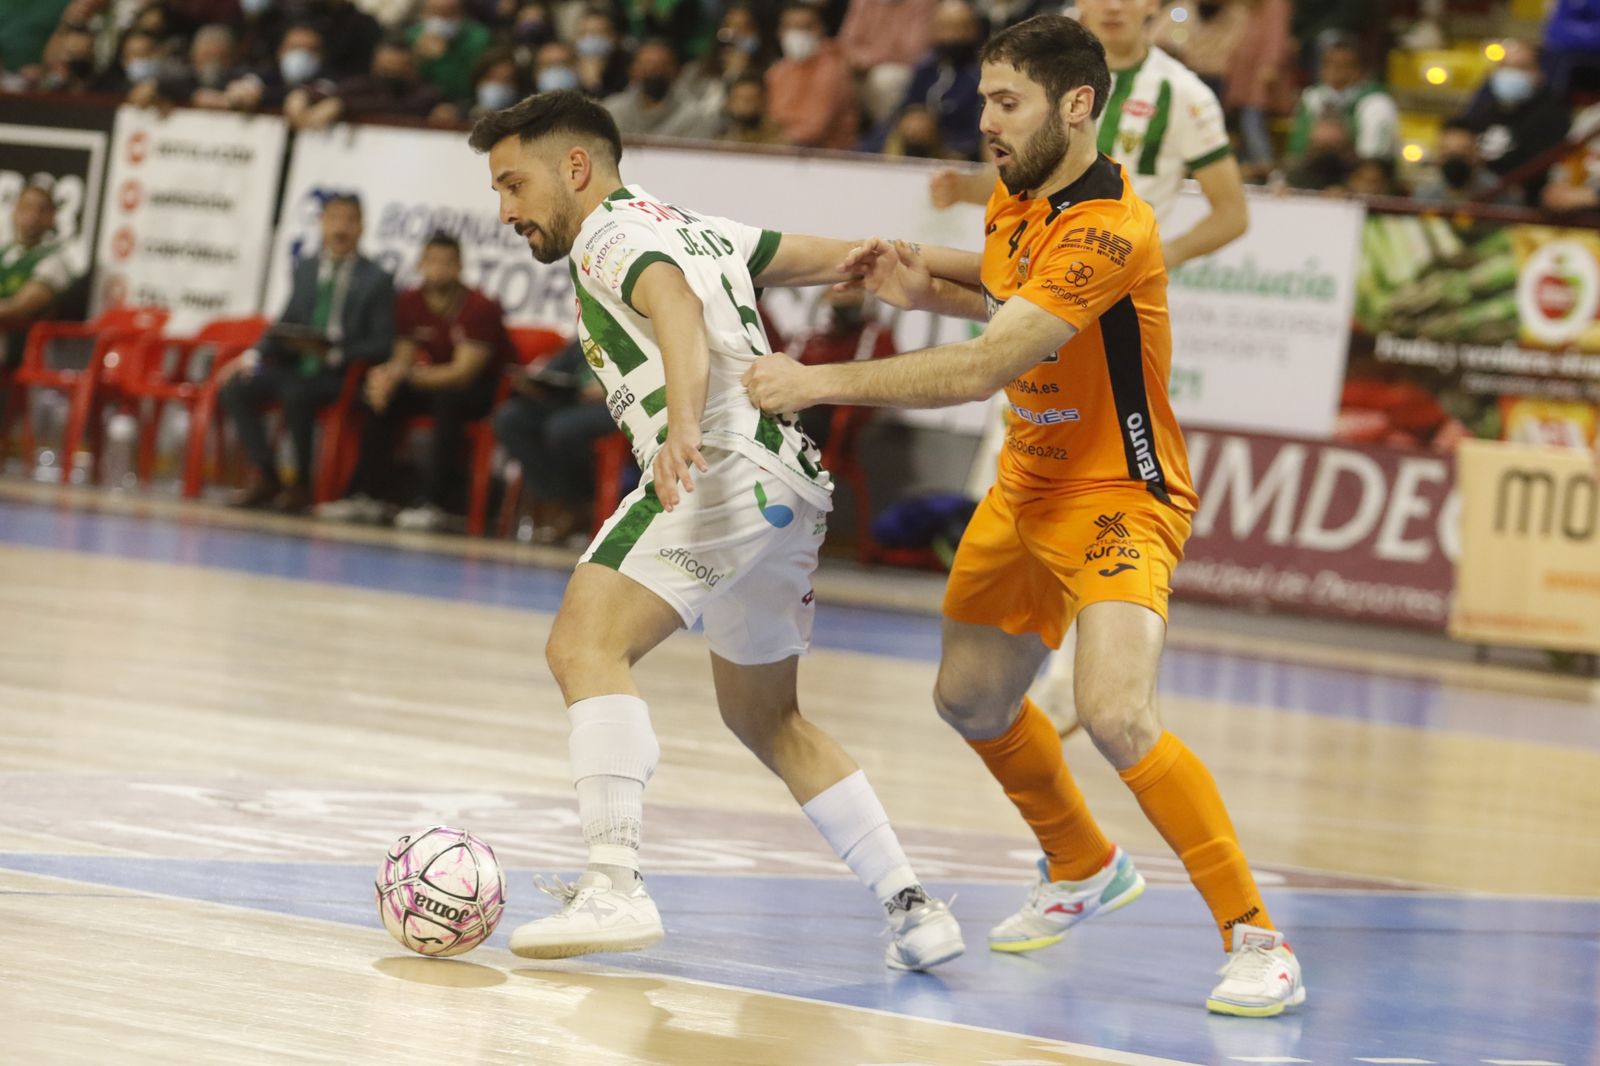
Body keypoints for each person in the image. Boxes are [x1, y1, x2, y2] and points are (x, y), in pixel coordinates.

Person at [743, 14, 1304, 1018]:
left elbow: (985, 362)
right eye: (985, 99)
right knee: (968, 701)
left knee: (1121, 714)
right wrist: (923, 267)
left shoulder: (1110, 229)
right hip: (1024, 493)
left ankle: (1255, 935)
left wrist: (812, 380)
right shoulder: (1018, 195)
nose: (984, 121)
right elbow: (1006, 298)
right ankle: (1083, 862)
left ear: (1076, 105)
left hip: (1119, 497)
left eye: (1007, 103)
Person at [469, 90, 963, 970]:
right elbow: (840, 260)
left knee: (585, 645)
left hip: (721, 466)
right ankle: (913, 906)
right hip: (787, 486)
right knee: (765, 716)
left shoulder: (611, 235)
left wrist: (687, 424)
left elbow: (676, 311)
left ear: (574, 168)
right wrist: (1004, 273)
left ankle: (613, 883)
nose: (505, 210)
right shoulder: (691, 225)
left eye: (513, 184)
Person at [930, 0, 1250, 736]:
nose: (1110, 4)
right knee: (1013, 473)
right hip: (1041, 299)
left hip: (1103, 307)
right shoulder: (1044, 78)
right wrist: (967, 188)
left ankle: (1086, 678)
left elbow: (1232, 213)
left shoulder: (1184, 96)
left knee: (1102, 478)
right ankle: (1024, 682)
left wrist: (1136, 262)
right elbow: (1034, 177)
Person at [316, 232, 508, 531]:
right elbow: (403, 357)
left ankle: (433, 502)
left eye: (447, 263)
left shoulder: (480, 307)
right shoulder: (409, 301)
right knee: (381, 396)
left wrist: (406, 376)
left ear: (459, 267)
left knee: (448, 401)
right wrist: (388, 378)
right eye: (431, 261)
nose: (438, 269)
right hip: (429, 381)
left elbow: (463, 372)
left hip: (479, 390)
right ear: (420, 263)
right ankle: (366, 495)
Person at [220, 194, 395, 513]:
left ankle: (301, 483)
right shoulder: (307, 268)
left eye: (349, 220)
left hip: (340, 374)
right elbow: (283, 322)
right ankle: (266, 475)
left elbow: (383, 343)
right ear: (322, 223)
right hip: (298, 365)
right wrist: (253, 356)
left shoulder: (377, 280)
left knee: (296, 391)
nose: (340, 227)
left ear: (361, 227)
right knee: (237, 386)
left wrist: (336, 353)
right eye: (333, 219)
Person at [1454, 39, 1571, 208]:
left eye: (1521, 67)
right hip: (1476, 199)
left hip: (1525, 207)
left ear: (1539, 72)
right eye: (1504, 66)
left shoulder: (1553, 116)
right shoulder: (1484, 109)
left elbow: (1541, 171)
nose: (1510, 74)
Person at [1286, 33, 1398, 164]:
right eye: (1328, 64)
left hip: (1356, 173)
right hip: (1314, 172)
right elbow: (1297, 148)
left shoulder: (1376, 103)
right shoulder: (1313, 97)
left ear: (1359, 70)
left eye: (1343, 65)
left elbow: (1373, 160)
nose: (1334, 71)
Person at [0, 185, 76, 372]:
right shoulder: (4, 254)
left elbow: (18, 308)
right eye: (26, 208)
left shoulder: (54, 261)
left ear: (52, 218)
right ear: (15, 213)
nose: (32, 217)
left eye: (41, 211)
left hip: (25, 356)